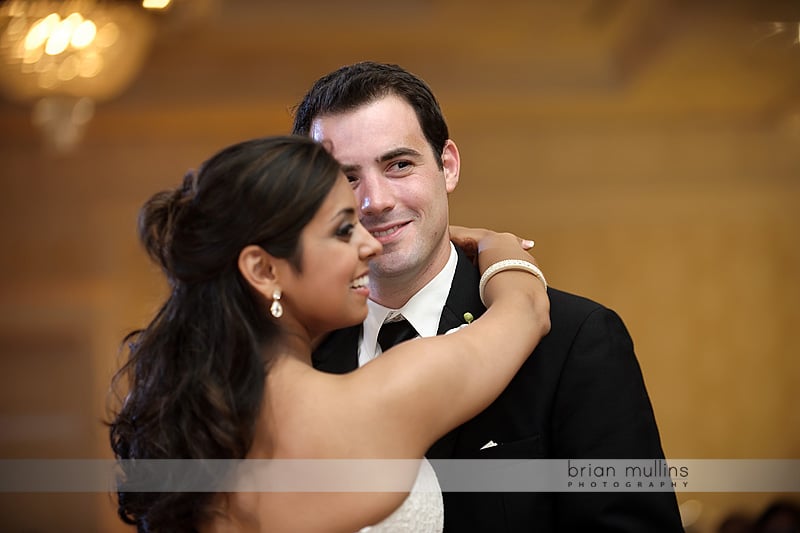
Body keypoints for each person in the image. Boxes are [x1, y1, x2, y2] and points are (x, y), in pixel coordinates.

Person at [293, 61, 684, 532]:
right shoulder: (296, 354)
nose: (375, 201)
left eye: (399, 165)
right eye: (347, 179)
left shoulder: (574, 342)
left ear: (447, 166)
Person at [108, 135, 550, 532]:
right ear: (263, 270)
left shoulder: (186, 428)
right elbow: (526, 309)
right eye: (343, 230)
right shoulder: (385, 397)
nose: (372, 244)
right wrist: (496, 243)